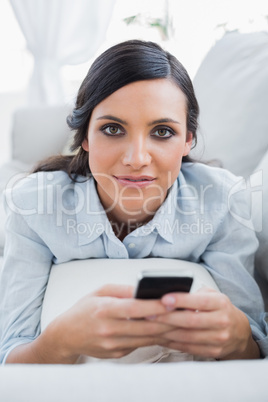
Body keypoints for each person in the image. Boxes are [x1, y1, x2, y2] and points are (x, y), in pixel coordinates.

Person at [0, 40, 267, 365]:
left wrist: (238, 340)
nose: (136, 159)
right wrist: (60, 341)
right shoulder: (32, 205)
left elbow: (252, 349)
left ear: (188, 140)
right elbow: (10, 355)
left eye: (163, 132)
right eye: (113, 129)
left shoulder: (222, 201)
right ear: (84, 137)